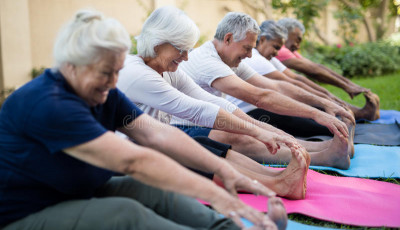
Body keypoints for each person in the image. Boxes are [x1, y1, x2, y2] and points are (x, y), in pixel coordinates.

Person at [0, 9, 287, 230]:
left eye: (117, 71)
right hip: (28, 212)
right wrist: (216, 194)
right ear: (70, 66)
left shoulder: (105, 92)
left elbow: (156, 134)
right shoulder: (49, 104)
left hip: (78, 189)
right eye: (104, 73)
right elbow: (134, 161)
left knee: (153, 189)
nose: (113, 82)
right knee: (126, 215)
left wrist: (225, 172)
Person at [117, 6, 309, 200]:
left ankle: (278, 176)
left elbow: (208, 99)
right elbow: (197, 110)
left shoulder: (165, 70)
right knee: (187, 153)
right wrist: (257, 132)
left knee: (200, 143)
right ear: (158, 44)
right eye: (181, 49)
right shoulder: (139, 74)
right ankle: (278, 185)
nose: (186, 57)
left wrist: (265, 129)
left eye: (188, 49)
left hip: (149, 147)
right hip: (127, 163)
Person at [179, 12, 352, 170]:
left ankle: (326, 149)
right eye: (247, 48)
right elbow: (259, 97)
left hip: (211, 120)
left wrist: (323, 103)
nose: (249, 55)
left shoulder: (226, 57)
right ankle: (322, 157)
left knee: (250, 128)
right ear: (228, 38)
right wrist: (316, 113)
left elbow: (275, 86)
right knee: (236, 133)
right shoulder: (207, 61)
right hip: (182, 129)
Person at [228, 20, 355, 157]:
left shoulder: (265, 58)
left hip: (265, 105)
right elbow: (282, 86)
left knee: (314, 111)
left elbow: (296, 80)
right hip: (253, 113)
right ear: (263, 40)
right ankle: (341, 138)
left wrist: (327, 100)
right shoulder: (255, 59)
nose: (277, 53)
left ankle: (341, 137)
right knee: (314, 120)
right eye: (275, 47)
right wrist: (324, 102)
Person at [275, 18, 380, 121]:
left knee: (311, 88)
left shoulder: (287, 50)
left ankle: (357, 112)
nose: (298, 45)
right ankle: (360, 113)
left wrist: (350, 85)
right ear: (286, 32)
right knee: (307, 90)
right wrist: (346, 86)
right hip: (278, 95)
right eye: (298, 39)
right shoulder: (280, 49)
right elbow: (313, 71)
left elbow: (317, 67)